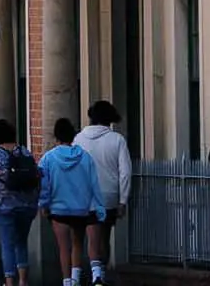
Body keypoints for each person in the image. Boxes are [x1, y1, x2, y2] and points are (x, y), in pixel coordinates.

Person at [38, 114, 105, 286]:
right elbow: (94, 184)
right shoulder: (85, 157)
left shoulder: (48, 158)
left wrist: (44, 204)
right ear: (73, 136)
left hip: (58, 208)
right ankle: (77, 277)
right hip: (80, 208)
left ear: (56, 136)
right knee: (77, 243)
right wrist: (98, 207)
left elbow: (44, 185)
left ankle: (67, 281)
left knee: (63, 248)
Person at [72, 100, 133, 285]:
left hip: (81, 197)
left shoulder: (78, 140)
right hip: (107, 197)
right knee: (103, 237)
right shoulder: (117, 140)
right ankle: (100, 274)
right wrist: (123, 200)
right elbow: (125, 172)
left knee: (78, 237)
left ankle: (75, 276)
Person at [0, 119, 41, 286]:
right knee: (21, 243)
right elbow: (37, 176)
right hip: (28, 206)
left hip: (4, 206)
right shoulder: (25, 152)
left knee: (7, 245)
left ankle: (9, 282)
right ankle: (23, 281)